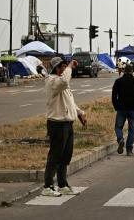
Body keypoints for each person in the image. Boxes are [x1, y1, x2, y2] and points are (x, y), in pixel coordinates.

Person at [42, 57, 87, 197]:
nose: (65, 69)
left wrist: (80, 113)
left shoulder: (63, 83)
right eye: (62, 67)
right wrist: (69, 67)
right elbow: (64, 81)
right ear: (57, 68)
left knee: (65, 156)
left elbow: (70, 102)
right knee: (55, 155)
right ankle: (48, 186)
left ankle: (62, 184)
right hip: (57, 123)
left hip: (67, 123)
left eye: (65, 66)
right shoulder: (52, 81)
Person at [111, 63, 134, 156]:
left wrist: (116, 106)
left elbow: (114, 96)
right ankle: (129, 150)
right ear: (132, 71)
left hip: (121, 109)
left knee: (118, 127)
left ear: (124, 71)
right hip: (133, 109)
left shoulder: (118, 81)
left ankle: (120, 139)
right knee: (132, 130)